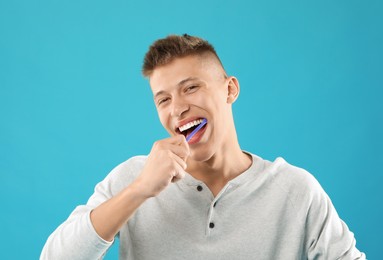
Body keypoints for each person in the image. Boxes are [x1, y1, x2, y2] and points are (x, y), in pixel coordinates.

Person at [41, 34, 366, 260]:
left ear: (230, 90)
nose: (177, 108)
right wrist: (139, 190)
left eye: (191, 88)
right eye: (163, 99)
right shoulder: (133, 177)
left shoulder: (296, 190)